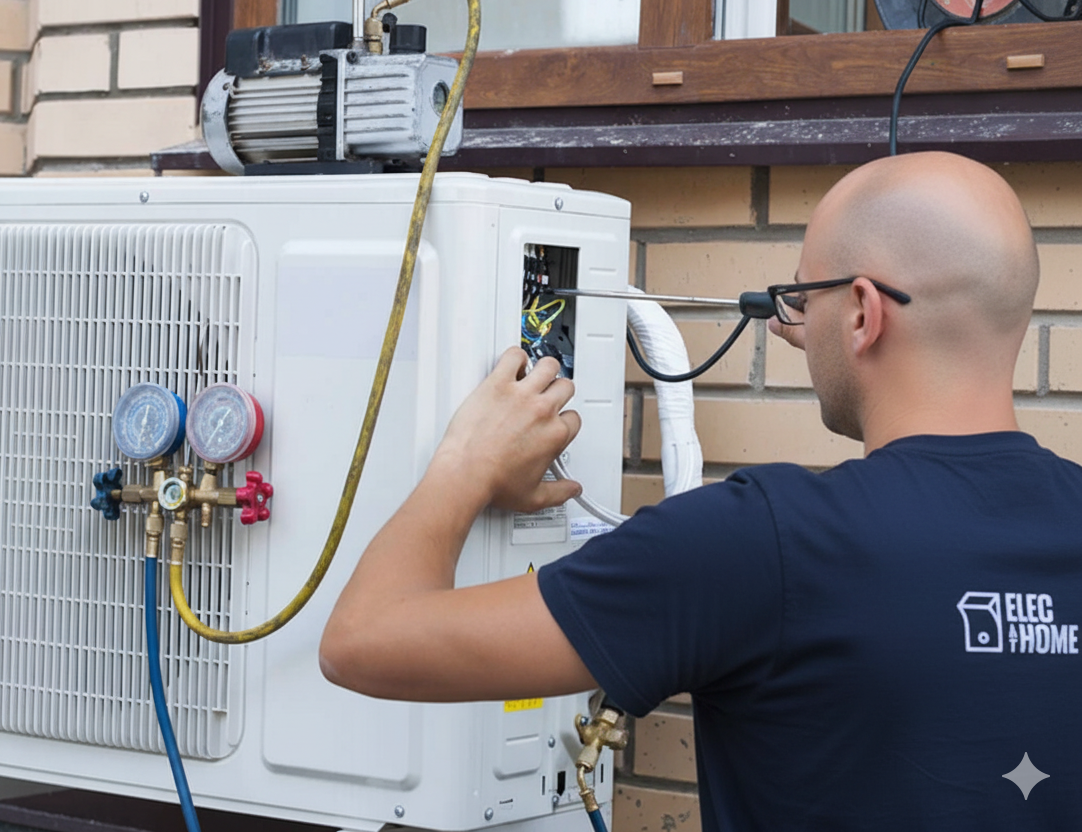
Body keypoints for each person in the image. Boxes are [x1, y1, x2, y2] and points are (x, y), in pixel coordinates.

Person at [319, 151, 1082, 828]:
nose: (792, 326)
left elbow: (364, 641)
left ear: (861, 313)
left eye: (803, 300)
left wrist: (465, 462)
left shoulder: (761, 544)